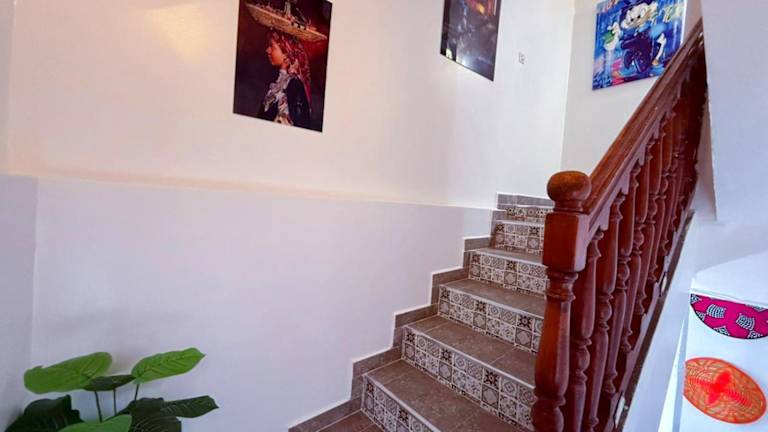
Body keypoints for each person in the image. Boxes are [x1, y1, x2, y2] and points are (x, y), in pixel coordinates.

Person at [258, 30, 312, 129]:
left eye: (271, 46)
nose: (267, 50)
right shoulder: (280, 81)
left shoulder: (294, 85)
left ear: (286, 53)